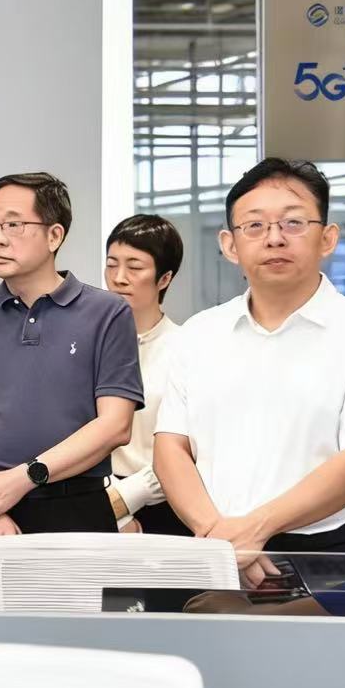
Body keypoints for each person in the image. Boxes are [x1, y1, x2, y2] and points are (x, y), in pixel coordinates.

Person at [154, 158, 345, 604]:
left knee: (332, 655)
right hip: (214, 550)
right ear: (230, 245)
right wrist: (223, 537)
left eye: (293, 222)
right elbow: (170, 447)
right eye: (255, 225)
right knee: (209, 652)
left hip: (324, 560)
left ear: (327, 237)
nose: (274, 238)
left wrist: (253, 530)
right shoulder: (199, 333)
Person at [0, 172, 143, 606]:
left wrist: (25, 478)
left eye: (13, 224)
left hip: (74, 511)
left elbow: (115, 425)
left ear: (54, 235)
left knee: (74, 643)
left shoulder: (107, 313)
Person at [102, 214, 187, 537]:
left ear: (164, 278)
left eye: (134, 267)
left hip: (168, 502)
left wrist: (126, 499)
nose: (119, 278)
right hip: (94, 498)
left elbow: (194, 446)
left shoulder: (186, 347)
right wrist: (113, 510)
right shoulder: (85, 343)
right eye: (111, 265)